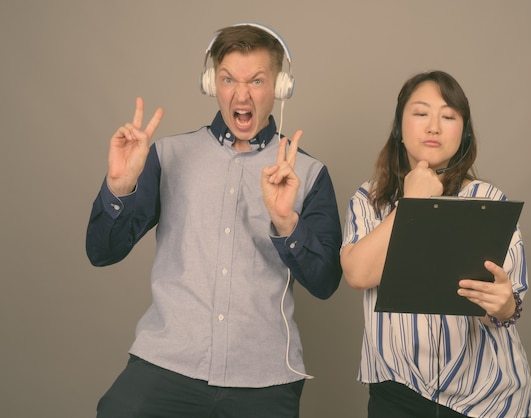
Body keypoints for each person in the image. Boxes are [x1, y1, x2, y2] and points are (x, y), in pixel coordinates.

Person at [86, 23, 342, 418]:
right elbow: (101, 252)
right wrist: (119, 187)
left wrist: (286, 222)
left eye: (256, 80)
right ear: (212, 84)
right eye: (228, 79)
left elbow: (326, 283)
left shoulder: (308, 173)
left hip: (264, 379)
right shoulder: (168, 156)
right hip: (167, 366)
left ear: (280, 86)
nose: (241, 95)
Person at [340, 70, 531, 417]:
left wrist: (503, 306)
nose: (434, 127)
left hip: (485, 399)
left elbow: (508, 304)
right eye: (421, 113)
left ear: (464, 131)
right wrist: (410, 203)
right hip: (397, 395)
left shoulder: (488, 200)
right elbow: (357, 273)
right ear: (399, 127)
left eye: (448, 116)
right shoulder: (369, 200)